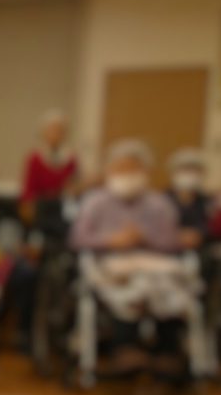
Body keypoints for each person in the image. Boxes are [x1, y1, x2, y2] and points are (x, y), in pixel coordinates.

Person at [70, 139, 193, 374]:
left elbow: (173, 242)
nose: (127, 175)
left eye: (133, 169)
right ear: (109, 170)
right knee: (129, 289)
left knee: (170, 288)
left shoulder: (160, 204)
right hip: (112, 263)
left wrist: (145, 239)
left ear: (145, 172)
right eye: (121, 169)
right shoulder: (95, 201)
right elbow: (77, 238)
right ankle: (125, 347)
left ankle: (168, 351)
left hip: (154, 263)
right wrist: (112, 241)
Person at [21, 108, 78, 204]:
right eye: (52, 130)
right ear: (43, 132)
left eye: (60, 130)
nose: (55, 134)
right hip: (40, 205)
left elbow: (74, 185)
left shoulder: (71, 159)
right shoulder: (35, 158)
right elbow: (28, 190)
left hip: (63, 205)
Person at [166, 148, 214, 250]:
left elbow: (211, 226)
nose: (189, 174)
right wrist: (177, 235)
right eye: (185, 169)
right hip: (167, 248)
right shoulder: (162, 199)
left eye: (194, 170)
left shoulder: (207, 201)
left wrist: (199, 235)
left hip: (199, 250)